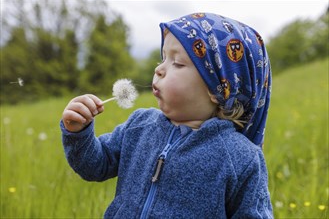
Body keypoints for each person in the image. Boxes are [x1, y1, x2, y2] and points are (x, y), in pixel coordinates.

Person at [61, 12, 273, 218]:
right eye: (161, 59)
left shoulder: (241, 158)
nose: (159, 70)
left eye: (178, 63)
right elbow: (95, 165)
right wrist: (78, 133)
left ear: (218, 88)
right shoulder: (139, 125)